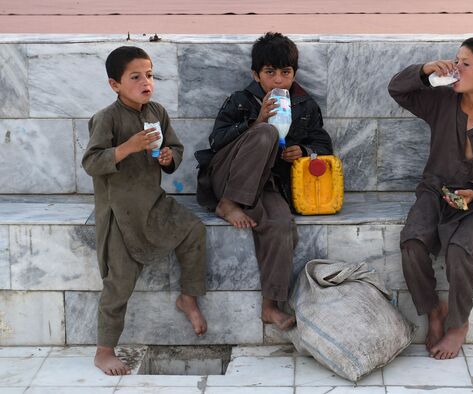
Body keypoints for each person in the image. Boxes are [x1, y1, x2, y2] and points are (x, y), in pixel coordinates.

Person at [388, 37, 473, 360]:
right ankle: (433, 311)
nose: (455, 68)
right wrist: (424, 70)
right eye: (455, 60)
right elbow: (398, 89)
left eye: (465, 64)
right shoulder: (441, 101)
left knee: (461, 250)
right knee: (412, 243)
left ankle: (458, 324)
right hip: (434, 191)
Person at [82, 46, 208, 376]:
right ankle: (104, 351)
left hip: (153, 205)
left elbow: (175, 147)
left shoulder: (157, 112)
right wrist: (128, 147)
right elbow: (92, 162)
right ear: (115, 84)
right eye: (135, 77)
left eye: (149, 75)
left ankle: (189, 297)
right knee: (118, 283)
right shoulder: (106, 118)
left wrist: (169, 157)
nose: (145, 82)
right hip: (120, 215)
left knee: (194, 229)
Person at [196, 32, 333, 331]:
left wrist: (304, 152)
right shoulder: (241, 101)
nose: (278, 80)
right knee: (267, 133)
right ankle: (227, 204)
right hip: (227, 176)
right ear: (256, 75)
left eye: (285, 73)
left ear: (294, 74)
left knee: (282, 225)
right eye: (270, 73)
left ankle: (271, 306)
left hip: (266, 185)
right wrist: (256, 122)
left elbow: (323, 144)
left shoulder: (305, 105)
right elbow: (216, 140)